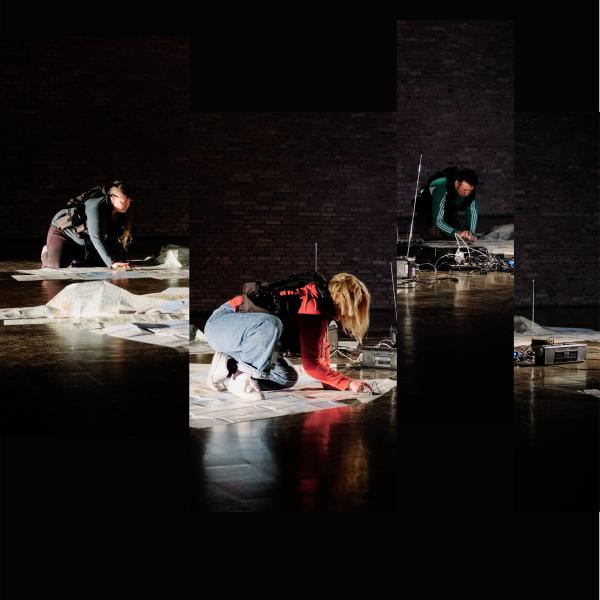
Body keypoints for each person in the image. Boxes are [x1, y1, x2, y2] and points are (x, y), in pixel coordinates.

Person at [204, 272, 373, 401]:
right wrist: (348, 382)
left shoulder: (322, 307)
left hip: (236, 338)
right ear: (345, 301)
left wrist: (333, 382)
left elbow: (321, 351)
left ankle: (228, 366)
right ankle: (240, 378)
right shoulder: (312, 306)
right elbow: (312, 365)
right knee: (270, 324)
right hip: (221, 324)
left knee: (286, 378)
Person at [40, 180, 133, 269]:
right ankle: (46, 252)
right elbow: (96, 237)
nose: (127, 205)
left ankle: (77, 256)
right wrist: (112, 263)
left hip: (84, 239)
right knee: (57, 265)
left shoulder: (120, 211)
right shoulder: (96, 206)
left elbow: (117, 237)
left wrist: (121, 260)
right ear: (112, 198)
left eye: (129, 201)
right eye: (123, 201)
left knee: (99, 264)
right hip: (63, 232)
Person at [418, 167, 479, 241]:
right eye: (465, 190)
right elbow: (438, 221)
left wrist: (471, 234)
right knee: (433, 234)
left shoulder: (470, 192)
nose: (467, 194)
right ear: (457, 184)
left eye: (470, 190)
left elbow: (472, 213)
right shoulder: (441, 186)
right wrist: (457, 233)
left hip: (447, 209)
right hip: (427, 208)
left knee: (454, 231)